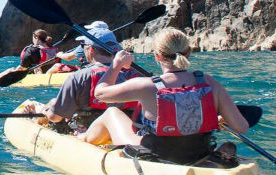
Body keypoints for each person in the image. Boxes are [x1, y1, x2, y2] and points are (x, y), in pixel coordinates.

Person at [91, 28, 249, 165]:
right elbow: (241, 127)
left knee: (112, 113)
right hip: (199, 152)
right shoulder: (210, 83)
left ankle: (83, 137)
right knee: (228, 145)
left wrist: (116, 65)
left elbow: (100, 93)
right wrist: (215, 119)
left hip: (156, 155)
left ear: (157, 56)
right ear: (189, 52)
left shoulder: (145, 86)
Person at [19, 25, 139, 141]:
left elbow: (56, 117)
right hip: (126, 130)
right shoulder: (136, 75)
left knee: (52, 106)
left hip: (88, 133)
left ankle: (36, 117)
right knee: (53, 102)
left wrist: (46, 111)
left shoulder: (79, 77)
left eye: (83, 46)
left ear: (90, 49)